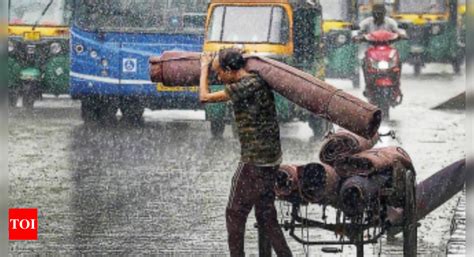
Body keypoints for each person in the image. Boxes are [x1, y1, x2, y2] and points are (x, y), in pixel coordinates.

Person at [199, 48, 292, 257]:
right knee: (266, 215)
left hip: (254, 161)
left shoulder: (244, 86)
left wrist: (204, 67)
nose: (219, 77)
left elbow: (204, 97)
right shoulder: (257, 80)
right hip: (271, 159)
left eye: (219, 72)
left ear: (231, 70)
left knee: (234, 213)